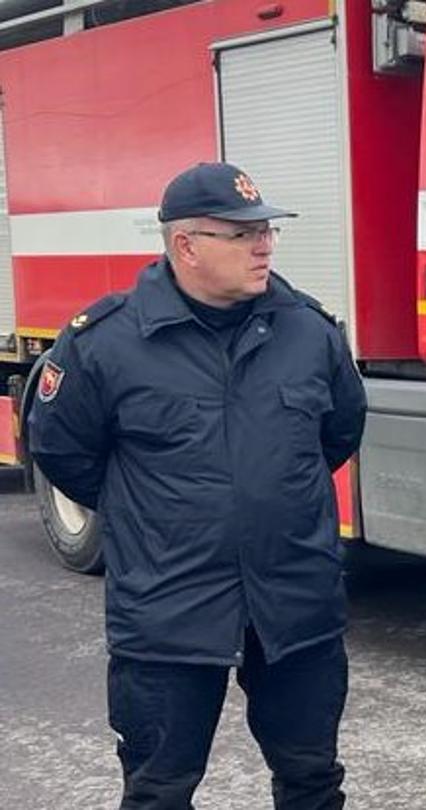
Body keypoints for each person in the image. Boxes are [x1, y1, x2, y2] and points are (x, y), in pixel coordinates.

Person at [28, 162, 367, 810]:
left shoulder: (308, 331)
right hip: (168, 610)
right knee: (159, 791)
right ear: (185, 245)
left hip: (294, 605)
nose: (263, 245)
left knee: (313, 781)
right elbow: (63, 451)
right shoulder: (107, 342)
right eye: (242, 234)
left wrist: (263, 497)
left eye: (266, 231)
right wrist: (159, 517)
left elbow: (339, 431)